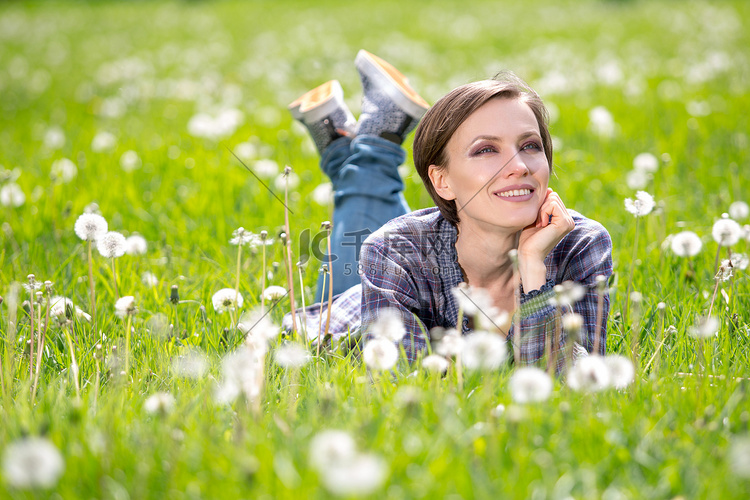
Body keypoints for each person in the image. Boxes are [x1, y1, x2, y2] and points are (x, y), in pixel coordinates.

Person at [285, 50, 612, 368]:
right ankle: (372, 145)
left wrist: (532, 269)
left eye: (529, 145)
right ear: (441, 181)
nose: (520, 166)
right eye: (486, 150)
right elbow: (402, 382)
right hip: (344, 320)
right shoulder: (391, 251)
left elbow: (578, 385)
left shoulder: (579, 243)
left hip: (415, 253)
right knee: (383, 249)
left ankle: (352, 147)